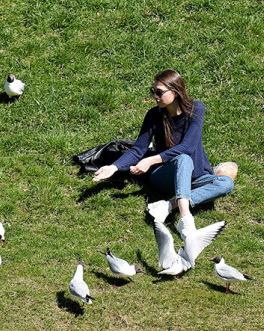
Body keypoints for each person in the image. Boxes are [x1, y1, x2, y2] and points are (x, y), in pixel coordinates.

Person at [93, 69, 234, 239]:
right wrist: (113, 167)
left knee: (226, 183)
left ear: (175, 91)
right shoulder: (154, 115)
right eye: (153, 91)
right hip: (164, 176)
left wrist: (150, 160)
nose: (155, 96)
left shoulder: (196, 109)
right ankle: (185, 219)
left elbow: (187, 146)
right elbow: (138, 149)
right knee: (183, 160)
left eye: (159, 92)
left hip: (195, 177)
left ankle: (169, 205)